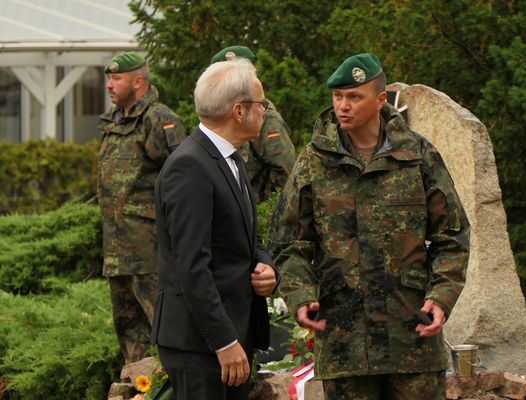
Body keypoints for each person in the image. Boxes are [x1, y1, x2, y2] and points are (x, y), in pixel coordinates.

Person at [269, 53, 470, 400]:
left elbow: (451, 235)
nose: (343, 106)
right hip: (346, 340)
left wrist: (442, 295)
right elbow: (290, 242)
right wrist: (301, 295)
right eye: (337, 96)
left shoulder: (417, 156)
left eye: (354, 97)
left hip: (411, 336)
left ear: (380, 100)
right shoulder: (314, 162)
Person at [151, 58, 279, 399]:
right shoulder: (190, 167)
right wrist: (223, 340)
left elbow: (245, 237)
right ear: (239, 111)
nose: (265, 111)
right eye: (261, 104)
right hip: (202, 344)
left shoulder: (229, 159)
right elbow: (191, 265)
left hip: (230, 335)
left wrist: (265, 265)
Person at [97, 51, 187, 364]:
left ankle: (175, 387)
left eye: (116, 78)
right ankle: (138, 385)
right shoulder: (114, 122)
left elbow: (185, 178)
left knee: (164, 326)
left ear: (138, 81)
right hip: (118, 248)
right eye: (109, 77)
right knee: (128, 330)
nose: (109, 85)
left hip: (150, 249)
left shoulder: (159, 119)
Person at [211, 45, 296, 203]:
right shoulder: (217, 114)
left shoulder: (264, 117)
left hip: (252, 213)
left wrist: (267, 210)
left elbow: (287, 171)